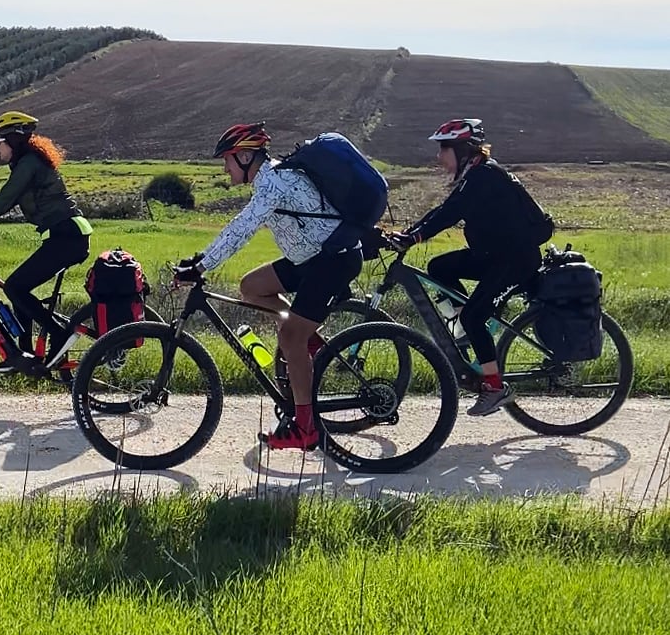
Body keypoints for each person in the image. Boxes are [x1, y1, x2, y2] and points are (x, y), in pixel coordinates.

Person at [174, 122, 365, 450]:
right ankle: (311, 343)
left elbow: (243, 227)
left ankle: (305, 427)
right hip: (309, 258)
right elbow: (240, 226)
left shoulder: (275, 181)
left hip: (332, 260)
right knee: (252, 286)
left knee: (289, 335)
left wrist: (202, 265)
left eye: (228, 159)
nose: (225, 167)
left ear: (246, 156)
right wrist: (201, 259)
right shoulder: (272, 177)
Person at [392, 118, 551, 416]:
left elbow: (450, 213)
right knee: (440, 268)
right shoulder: (474, 174)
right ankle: (464, 327)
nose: (439, 157)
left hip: (516, 260)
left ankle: (494, 387)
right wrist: (408, 234)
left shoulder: (484, 176)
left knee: (476, 316)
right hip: (494, 255)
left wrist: (414, 236)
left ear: (463, 149)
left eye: (444, 149)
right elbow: (443, 210)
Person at [0, 111, 93, 373]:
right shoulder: (28, 162)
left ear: (12, 141)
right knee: (18, 287)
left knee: (15, 287)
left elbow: (2, 202)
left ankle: (58, 335)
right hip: (67, 235)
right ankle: (24, 353)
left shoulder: (29, 164)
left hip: (67, 236)